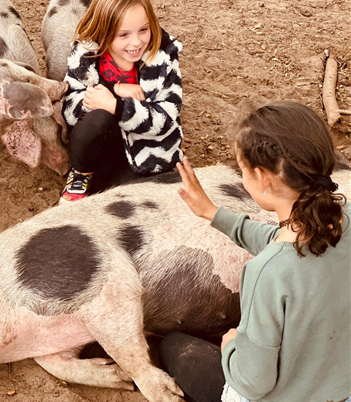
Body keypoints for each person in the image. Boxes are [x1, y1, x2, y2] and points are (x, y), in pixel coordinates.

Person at [161, 101, 350, 402]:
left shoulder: (267, 273)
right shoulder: (342, 220)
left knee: (173, 346)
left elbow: (252, 382)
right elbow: (293, 247)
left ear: (262, 177)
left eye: (242, 170)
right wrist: (214, 214)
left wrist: (231, 347)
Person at [60, 0, 183, 202]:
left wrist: (118, 107)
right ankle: (81, 172)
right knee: (96, 120)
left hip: (146, 150)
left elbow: (166, 117)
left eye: (143, 30)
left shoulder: (163, 58)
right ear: (103, 32)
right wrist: (114, 90)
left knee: (126, 197)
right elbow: (70, 109)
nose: (136, 42)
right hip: (102, 143)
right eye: (123, 35)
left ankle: (110, 177)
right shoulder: (85, 56)